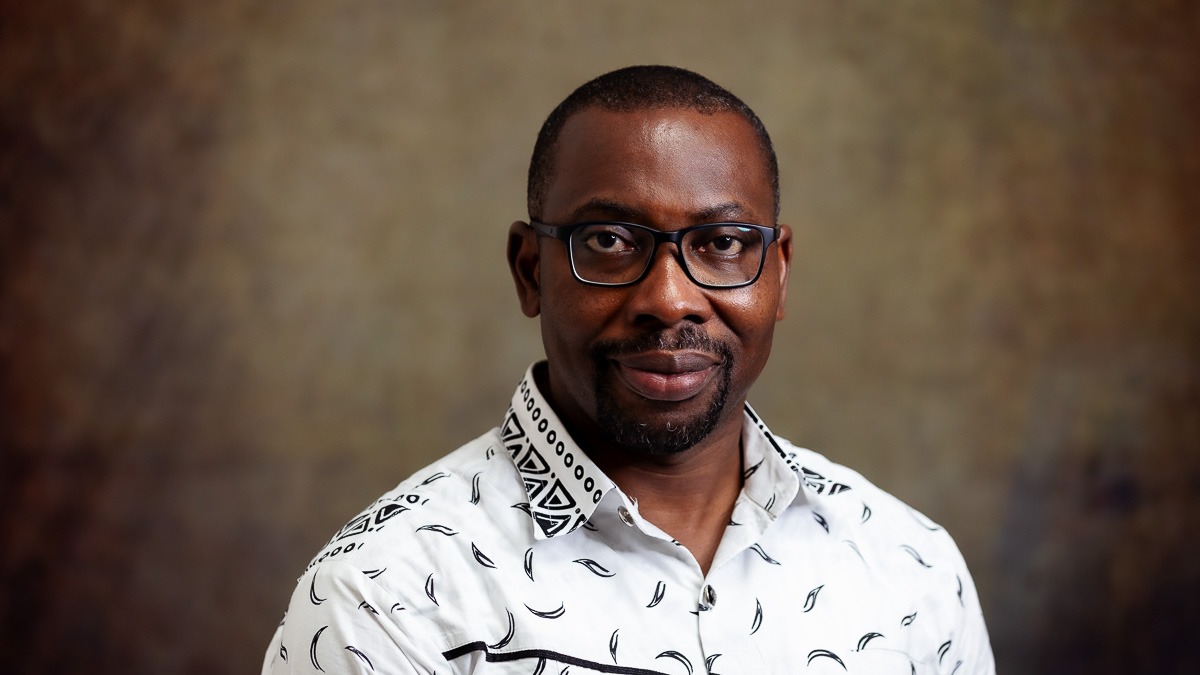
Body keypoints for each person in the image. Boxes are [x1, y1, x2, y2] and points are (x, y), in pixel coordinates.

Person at [262, 65, 995, 674]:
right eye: (609, 241)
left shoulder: (908, 566)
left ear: (778, 274)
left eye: (724, 242)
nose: (669, 297)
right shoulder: (379, 598)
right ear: (529, 270)